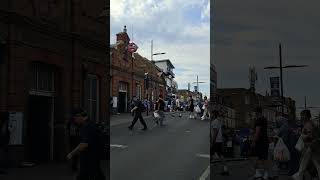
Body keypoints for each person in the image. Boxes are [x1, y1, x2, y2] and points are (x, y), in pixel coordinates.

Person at [67, 108, 105, 180]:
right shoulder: (90, 125)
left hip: (89, 158)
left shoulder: (86, 126)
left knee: (85, 175)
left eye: (75, 118)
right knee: (96, 175)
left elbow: (84, 144)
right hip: (93, 157)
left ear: (80, 116)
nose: (75, 121)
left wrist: (71, 154)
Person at [292, 109, 320, 180]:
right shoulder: (311, 123)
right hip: (313, 146)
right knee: (314, 163)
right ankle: (302, 175)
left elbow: (310, 135)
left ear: (306, 116)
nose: (301, 117)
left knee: (304, 163)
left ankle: (299, 176)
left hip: (309, 146)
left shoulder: (308, 124)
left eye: (302, 116)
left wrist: (301, 135)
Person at [251, 107, 270, 180]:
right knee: (263, 158)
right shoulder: (264, 119)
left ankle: (258, 172)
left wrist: (253, 141)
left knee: (253, 157)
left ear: (257, 112)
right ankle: (265, 174)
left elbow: (257, 131)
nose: (253, 114)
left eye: (254, 112)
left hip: (259, 142)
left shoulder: (258, 120)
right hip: (264, 141)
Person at [211, 110, 229, 175]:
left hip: (216, 141)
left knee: (211, 154)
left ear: (214, 114)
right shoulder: (219, 121)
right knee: (221, 155)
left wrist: (212, 141)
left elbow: (215, 132)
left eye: (212, 114)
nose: (211, 115)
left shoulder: (215, 122)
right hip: (219, 141)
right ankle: (225, 169)